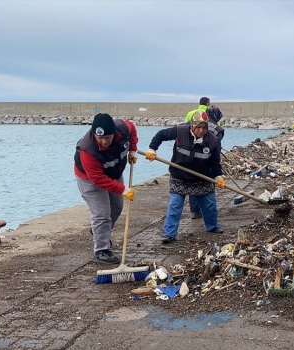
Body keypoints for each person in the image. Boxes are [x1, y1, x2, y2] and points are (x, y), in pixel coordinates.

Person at [144, 111, 225, 243]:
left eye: (204, 127)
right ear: (192, 125)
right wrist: (152, 149)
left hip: (202, 179)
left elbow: (215, 162)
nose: (201, 130)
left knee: (210, 206)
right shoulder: (180, 131)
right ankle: (169, 234)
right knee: (175, 206)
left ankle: (213, 226)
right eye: (198, 127)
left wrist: (218, 176)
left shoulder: (213, 141)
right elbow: (161, 135)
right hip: (179, 177)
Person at [74, 113, 138, 264]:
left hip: (113, 171)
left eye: (107, 138)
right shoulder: (87, 149)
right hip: (89, 178)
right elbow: (98, 178)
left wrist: (133, 150)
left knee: (116, 207)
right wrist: (123, 190)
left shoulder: (123, 128)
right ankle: (101, 251)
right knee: (102, 214)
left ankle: (98, 230)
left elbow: (133, 129)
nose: (103, 141)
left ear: (114, 134)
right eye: (99, 138)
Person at [184, 98, 225, 219]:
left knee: (193, 184)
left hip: (191, 157)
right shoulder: (218, 129)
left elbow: (185, 130)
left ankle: (195, 211)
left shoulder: (192, 115)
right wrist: (218, 172)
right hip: (207, 159)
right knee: (208, 187)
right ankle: (208, 214)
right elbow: (216, 149)